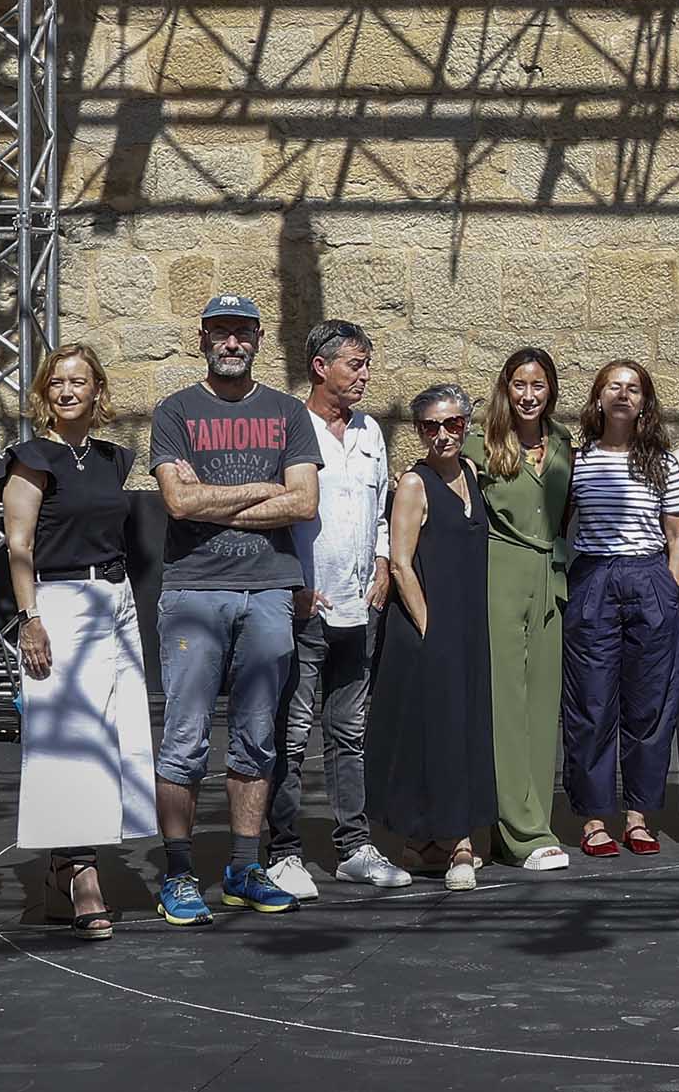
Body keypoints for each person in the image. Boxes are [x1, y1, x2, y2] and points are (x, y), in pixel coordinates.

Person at [149, 294, 321, 924]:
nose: (230, 343)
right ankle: (178, 873)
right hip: (193, 589)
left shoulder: (287, 412)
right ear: (202, 339)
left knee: (256, 738)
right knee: (185, 739)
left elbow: (303, 503)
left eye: (241, 333)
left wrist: (211, 495)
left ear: (257, 339)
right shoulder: (174, 411)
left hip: (269, 589)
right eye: (219, 332)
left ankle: (244, 868)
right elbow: (179, 504)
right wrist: (264, 487)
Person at [2, 345, 154, 939]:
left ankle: (68, 866)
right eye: (57, 382)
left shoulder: (115, 458)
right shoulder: (32, 458)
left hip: (114, 600)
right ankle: (78, 870)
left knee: (117, 737)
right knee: (69, 740)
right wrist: (30, 619)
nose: (68, 391)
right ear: (45, 393)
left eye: (79, 381)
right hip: (58, 604)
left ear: (98, 390)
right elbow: (19, 546)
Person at [269, 319, 405, 897]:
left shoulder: (371, 431)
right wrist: (293, 583)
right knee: (292, 733)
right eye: (355, 363)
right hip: (303, 607)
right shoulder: (288, 428)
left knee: (349, 731)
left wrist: (380, 565)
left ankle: (354, 846)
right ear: (320, 367)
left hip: (358, 606)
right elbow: (277, 510)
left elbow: (378, 510)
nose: (365, 374)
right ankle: (283, 853)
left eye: (368, 362)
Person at [369, 384, 496, 888]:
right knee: (437, 735)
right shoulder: (414, 485)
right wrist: (430, 627)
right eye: (430, 427)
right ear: (419, 431)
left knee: (459, 729)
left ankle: (422, 844)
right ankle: (456, 843)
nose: (443, 435)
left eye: (453, 425)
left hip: (467, 625)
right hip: (427, 628)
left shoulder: (471, 474)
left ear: (466, 425)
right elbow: (401, 564)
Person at [566, 359, 679, 856]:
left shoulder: (662, 463)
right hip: (594, 577)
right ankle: (595, 819)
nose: (623, 394)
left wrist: (669, 590)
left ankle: (639, 816)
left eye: (633, 388)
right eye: (613, 386)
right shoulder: (578, 460)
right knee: (591, 704)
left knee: (649, 706)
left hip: (650, 578)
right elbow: (559, 525)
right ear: (598, 397)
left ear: (645, 401)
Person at [483, 346, 573, 870]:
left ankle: (534, 819)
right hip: (500, 579)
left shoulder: (562, 444)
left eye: (538, 385)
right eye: (520, 384)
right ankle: (521, 833)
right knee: (505, 709)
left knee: (542, 709)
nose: (529, 395)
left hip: (550, 583)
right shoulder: (481, 446)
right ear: (506, 388)